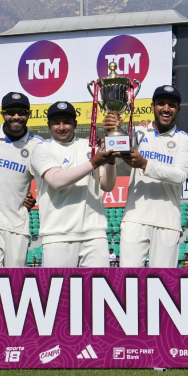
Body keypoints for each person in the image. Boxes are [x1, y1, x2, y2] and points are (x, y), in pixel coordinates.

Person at [107, 85, 188, 269]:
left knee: (163, 283)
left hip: (168, 222)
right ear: (152, 106)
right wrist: (112, 129)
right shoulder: (137, 132)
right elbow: (114, 148)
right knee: (128, 281)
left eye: (171, 105)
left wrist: (144, 164)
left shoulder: (187, 140)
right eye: (161, 103)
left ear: (178, 109)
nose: (166, 108)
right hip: (134, 218)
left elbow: (179, 175)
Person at [30, 101, 116, 267]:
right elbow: (57, 181)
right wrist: (95, 162)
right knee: (58, 292)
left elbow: (107, 185)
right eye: (56, 123)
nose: (61, 127)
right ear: (48, 125)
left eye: (67, 122)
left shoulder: (91, 147)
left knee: (97, 292)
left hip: (94, 234)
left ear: (75, 124)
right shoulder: (42, 149)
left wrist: (110, 163)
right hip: (57, 235)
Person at [0, 92, 40, 268]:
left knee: (14, 285)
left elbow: (50, 180)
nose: (16, 117)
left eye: (22, 112)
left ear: (29, 114)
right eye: (11, 112)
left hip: (18, 226)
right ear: (2, 114)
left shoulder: (38, 145)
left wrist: (35, 198)